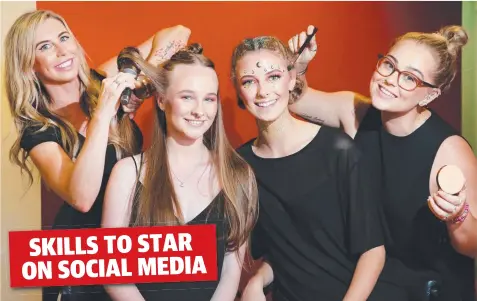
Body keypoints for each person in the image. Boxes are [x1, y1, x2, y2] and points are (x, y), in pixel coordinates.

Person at [4, 9, 191, 301]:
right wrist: (104, 113)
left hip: (129, 249)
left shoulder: (100, 82)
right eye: (44, 47)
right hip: (82, 265)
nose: (61, 50)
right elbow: (82, 197)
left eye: (63, 38)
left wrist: (139, 81)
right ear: (30, 67)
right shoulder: (39, 130)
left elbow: (178, 32)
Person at [287, 25, 476, 300]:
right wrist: (298, 67)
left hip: (429, 291)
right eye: (389, 65)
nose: (390, 79)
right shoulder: (356, 113)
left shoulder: (450, 151)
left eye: (410, 78)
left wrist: (457, 216)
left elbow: (472, 247)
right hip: (375, 280)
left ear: (430, 95)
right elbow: (296, 102)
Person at [231, 35, 402, 301]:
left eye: (273, 77)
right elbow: (285, 250)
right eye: (249, 81)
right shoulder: (241, 165)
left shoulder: (338, 150)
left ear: (291, 80)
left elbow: (373, 251)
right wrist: (257, 281)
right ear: (239, 90)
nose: (263, 91)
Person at [101, 44, 259, 301]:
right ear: (162, 100)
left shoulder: (239, 176)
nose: (200, 110)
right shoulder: (127, 174)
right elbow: (113, 273)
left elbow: (230, 271)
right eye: (187, 97)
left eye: (209, 99)